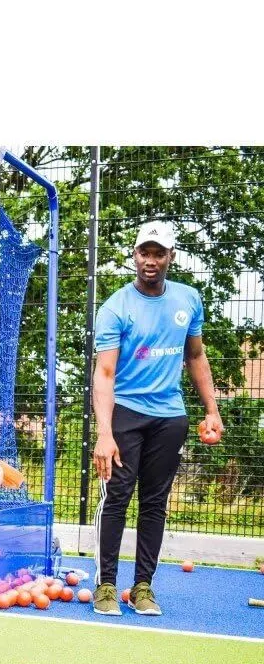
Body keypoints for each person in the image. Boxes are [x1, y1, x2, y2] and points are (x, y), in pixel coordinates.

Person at [91, 221, 224, 616]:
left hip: (170, 417)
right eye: (144, 253)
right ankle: (106, 585)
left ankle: (143, 587)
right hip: (126, 414)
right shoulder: (116, 307)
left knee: (155, 502)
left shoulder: (188, 300)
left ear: (171, 257)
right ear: (134, 256)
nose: (150, 260)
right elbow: (104, 373)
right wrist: (104, 433)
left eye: (158, 253)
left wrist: (212, 410)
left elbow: (195, 355)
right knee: (117, 497)